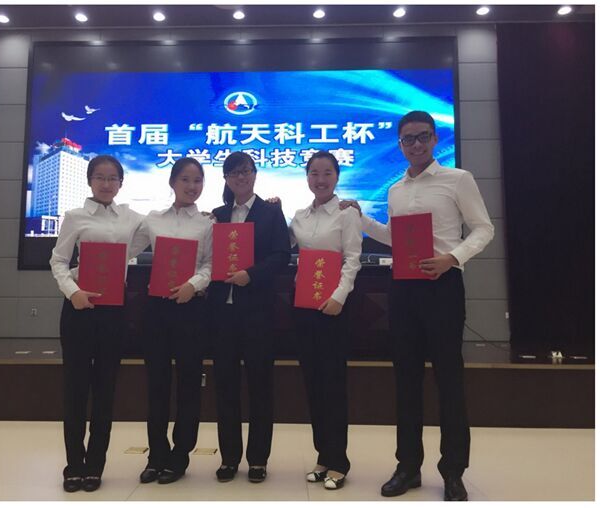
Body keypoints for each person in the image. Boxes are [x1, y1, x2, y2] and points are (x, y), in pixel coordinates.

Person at [345, 111, 494, 501]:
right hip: (404, 289)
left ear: (434, 138)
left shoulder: (458, 179)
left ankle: (453, 471)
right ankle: (408, 467)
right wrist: (362, 219)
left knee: (449, 380)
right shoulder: (396, 189)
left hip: (443, 286)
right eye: (408, 139)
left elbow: (484, 228)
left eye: (422, 136)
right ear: (400, 144)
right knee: (406, 381)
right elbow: (396, 238)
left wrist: (452, 258)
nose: (415, 144)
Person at [50, 155, 143, 493]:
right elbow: (58, 260)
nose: (106, 183)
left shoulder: (131, 218)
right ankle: (73, 465)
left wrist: (202, 218)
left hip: (113, 311)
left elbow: (158, 231)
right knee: (75, 389)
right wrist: (73, 291)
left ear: (121, 183)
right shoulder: (75, 217)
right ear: (90, 181)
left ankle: (95, 465)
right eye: (100, 177)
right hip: (79, 309)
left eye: (113, 178)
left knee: (105, 390)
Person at [207, 151, 291, 483]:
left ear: (255, 174)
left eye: (247, 171)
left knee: (260, 386)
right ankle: (229, 458)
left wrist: (250, 275)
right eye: (234, 173)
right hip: (222, 314)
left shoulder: (271, 213)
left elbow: (281, 256)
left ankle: (258, 459)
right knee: (225, 386)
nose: (241, 177)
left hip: (257, 312)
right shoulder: (216, 216)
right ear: (226, 179)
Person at [129, 157, 214, 485]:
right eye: (185, 180)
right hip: (157, 309)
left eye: (198, 180)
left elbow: (210, 265)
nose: (192, 186)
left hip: (191, 309)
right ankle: (156, 455)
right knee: (157, 383)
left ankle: (180, 455)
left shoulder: (207, 223)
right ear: (172, 182)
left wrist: (193, 285)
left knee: (189, 383)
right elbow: (125, 250)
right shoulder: (153, 219)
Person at [289, 150, 362, 490]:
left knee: (333, 385)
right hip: (304, 308)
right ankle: (323, 455)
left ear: (337, 176)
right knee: (312, 384)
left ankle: (339, 461)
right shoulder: (299, 217)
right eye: (314, 173)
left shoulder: (347, 214)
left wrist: (339, 297)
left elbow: (352, 259)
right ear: (307, 177)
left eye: (327, 173)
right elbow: (279, 244)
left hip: (333, 309)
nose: (320, 179)